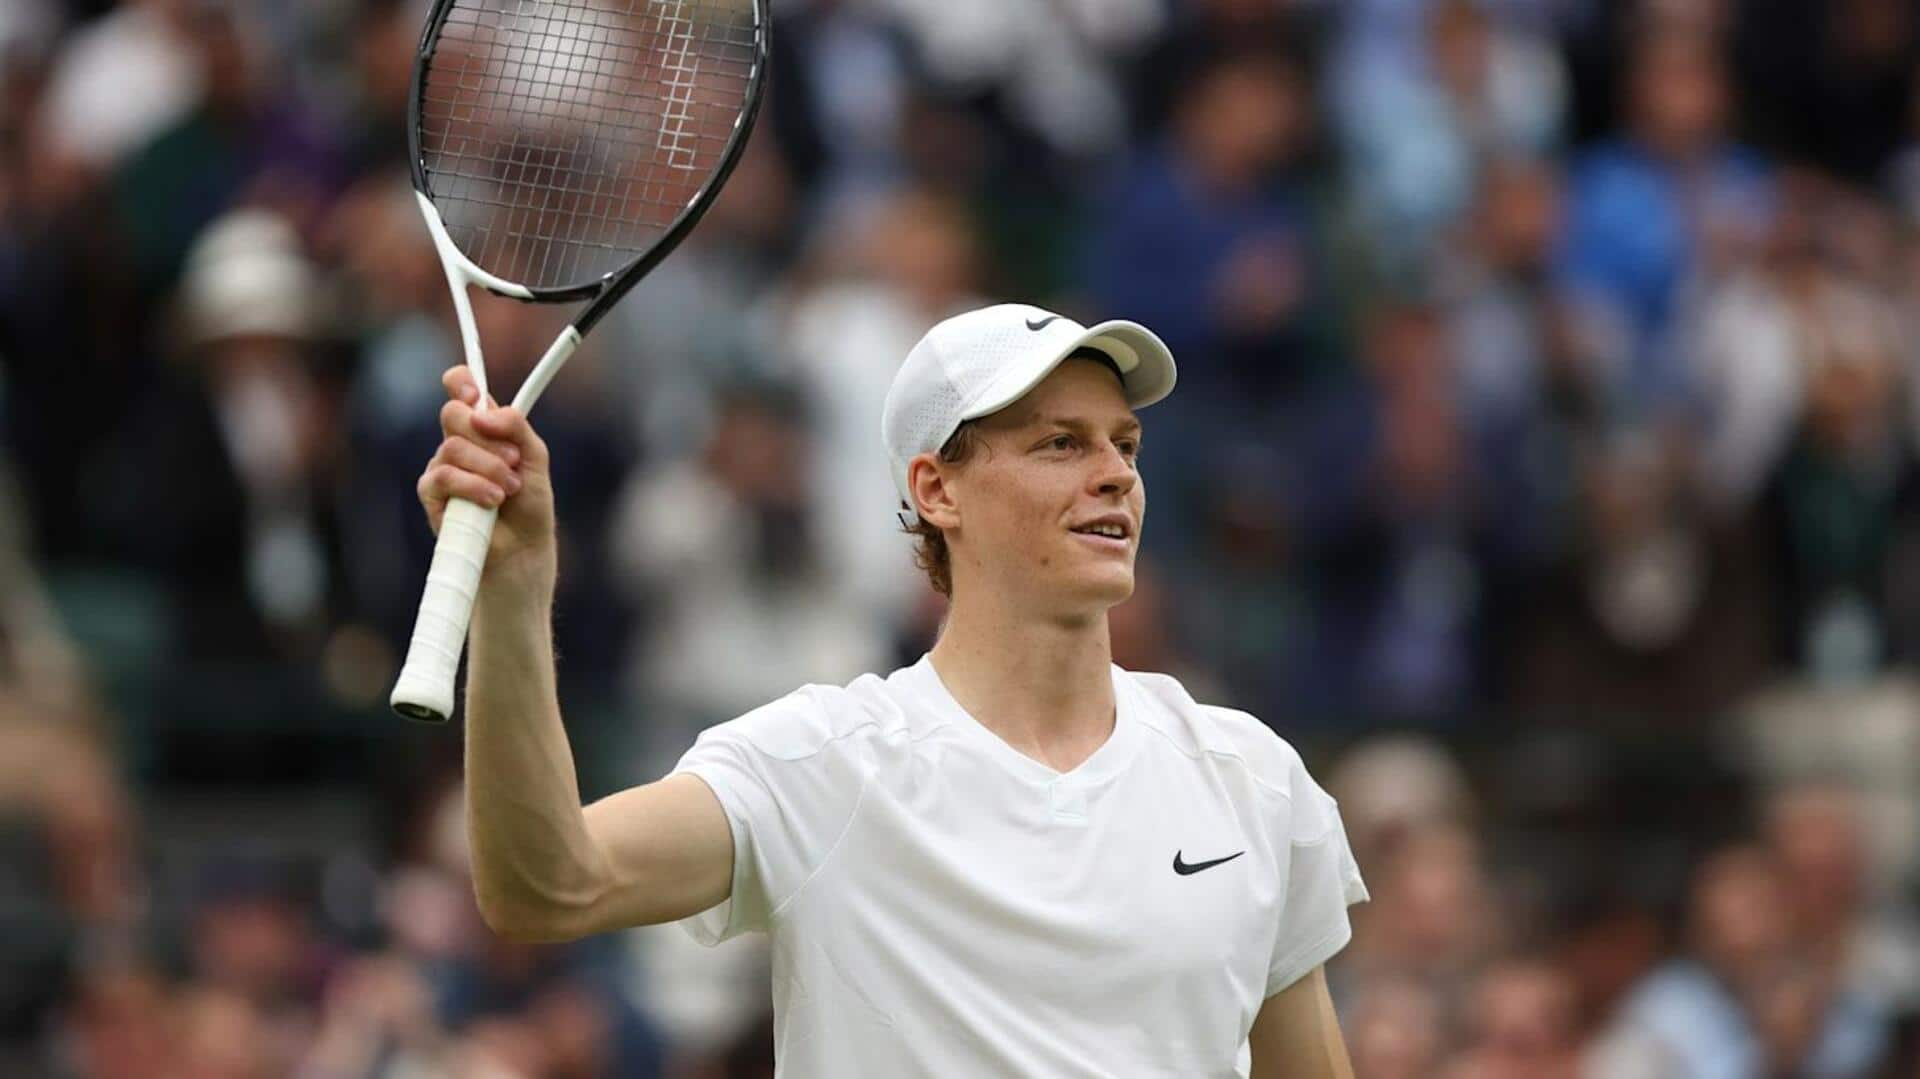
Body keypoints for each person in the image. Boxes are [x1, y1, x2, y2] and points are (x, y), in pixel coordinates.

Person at [414, 303, 1370, 1075]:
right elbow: (546, 885)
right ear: (939, 489)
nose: (1115, 474)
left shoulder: (1252, 776)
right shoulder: (818, 764)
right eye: (1060, 445)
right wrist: (511, 587)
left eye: (1125, 445)